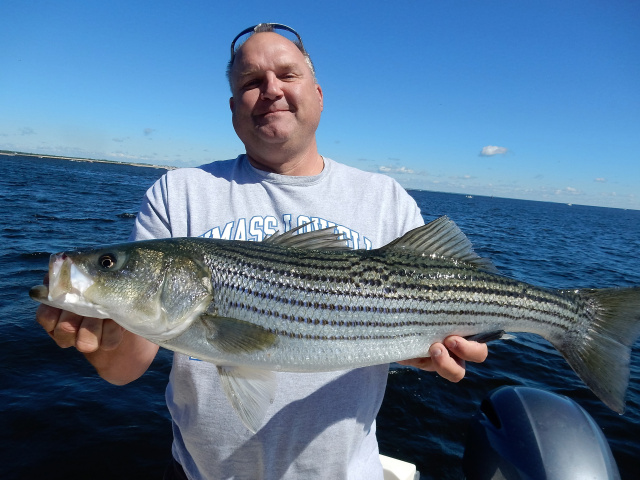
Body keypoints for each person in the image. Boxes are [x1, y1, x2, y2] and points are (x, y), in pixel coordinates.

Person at [36, 23, 488, 480]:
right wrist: (107, 342)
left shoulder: (385, 198)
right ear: (234, 107)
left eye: (286, 74)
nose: (270, 89)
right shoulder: (180, 192)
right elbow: (125, 368)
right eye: (250, 82)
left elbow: (431, 319)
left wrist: (427, 348)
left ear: (318, 93)